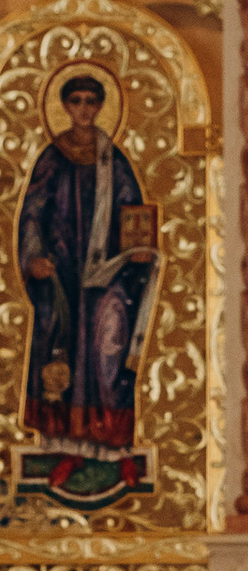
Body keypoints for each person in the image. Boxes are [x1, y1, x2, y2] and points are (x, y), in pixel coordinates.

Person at [16, 70, 157, 486]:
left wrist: (139, 250)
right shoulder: (51, 157)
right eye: (75, 101)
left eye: (90, 102)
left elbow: (133, 214)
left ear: (100, 108)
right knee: (58, 350)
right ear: (65, 107)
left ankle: (109, 445)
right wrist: (33, 258)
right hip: (59, 274)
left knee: (107, 347)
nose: (83, 110)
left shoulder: (112, 159)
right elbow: (31, 215)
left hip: (105, 275)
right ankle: (63, 447)